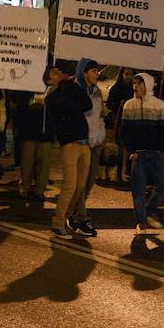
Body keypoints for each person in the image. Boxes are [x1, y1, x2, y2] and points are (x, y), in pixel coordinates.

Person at [45, 65, 94, 239]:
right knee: (70, 186)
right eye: (54, 73)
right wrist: (66, 86)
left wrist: (71, 87)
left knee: (80, 187)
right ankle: (57, 223)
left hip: (84, 143)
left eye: (60, 71)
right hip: (70, 145)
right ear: (49, 80)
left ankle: (67, 217)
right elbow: (65, 107)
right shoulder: (52, 98)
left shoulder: (72, 88)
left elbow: (86, 105)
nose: (59, 74)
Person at [120, 73, 164, 234]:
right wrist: (132, 152)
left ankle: (149, 210)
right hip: (138, 155)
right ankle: (141, 222)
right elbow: (125, 132)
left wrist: (158, 150)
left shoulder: (159, 104)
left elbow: (163, 130)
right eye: (134, 83)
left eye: (139, 84)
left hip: (154, 153)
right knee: (138, 190)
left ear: (147, 85)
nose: (135, 86)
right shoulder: (129, 105)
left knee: (163, 183)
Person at [73, 58, 105, 230]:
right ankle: (80, 216)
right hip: (81, 142)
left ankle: (74, 211)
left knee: (89, 182)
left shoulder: (97, 91)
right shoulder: (76, 90)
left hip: (95, 143)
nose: (97, 74)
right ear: (84, 72)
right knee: (80, 183)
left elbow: (99, 116)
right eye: (93, 71)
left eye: (97, 71)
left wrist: (101, 136)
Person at [12, 86, 54, 201]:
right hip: (28, 131)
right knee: (27, 162)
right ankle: (25, 187)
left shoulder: (52, 90)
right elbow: (18, 106)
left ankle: (40, 190)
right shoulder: (26, 89)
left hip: (46, 133)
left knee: (44, 163)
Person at [105, 67, 135, 183]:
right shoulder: (116, 88)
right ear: (122, 74)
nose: (128, 76)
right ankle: (117, 174)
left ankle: (128, 173)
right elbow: (109, 104)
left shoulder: (134, 88)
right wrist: (119, 104)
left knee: (130, 148)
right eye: (126, 73)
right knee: (120, 149)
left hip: (132, 122)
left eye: (131, 74)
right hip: (120, 122)